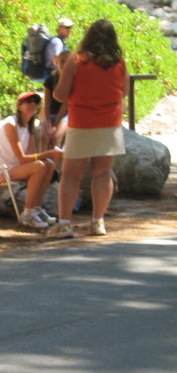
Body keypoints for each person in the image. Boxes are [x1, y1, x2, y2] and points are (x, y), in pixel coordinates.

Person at [49, 18, 129, 238]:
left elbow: (60, 94)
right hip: (109, 123)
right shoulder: (119, 62)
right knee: (102, 173)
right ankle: (97, 222)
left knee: (71, 175)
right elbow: (124, 91)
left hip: (82, 122)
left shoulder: (77, 60)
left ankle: (65, 224)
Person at [0, 92, 63, 230]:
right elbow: (23, 158)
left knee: (49, 164)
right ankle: (27, 213)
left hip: (14, 169)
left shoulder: (29, 126)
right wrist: (50, 152)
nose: (33, 104)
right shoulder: (10, 124)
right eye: (28, 101)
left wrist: (51, 155)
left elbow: (32, 155)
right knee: (39, 166)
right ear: (19, 105)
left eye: (35, 101)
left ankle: (36, 208)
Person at [39, 51, 70, 151]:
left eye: (68, 62)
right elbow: (47, 103)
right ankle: (42, 164)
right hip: (51, 113)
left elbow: (65, 105)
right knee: (44, 136)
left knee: (56, 137)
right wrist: (48, 122)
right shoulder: (50, 80)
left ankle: (52, 166)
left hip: (66, 115)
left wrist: (56, 125)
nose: (65, 65)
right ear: (57, 62)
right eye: (62, 61)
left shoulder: (72, 81)